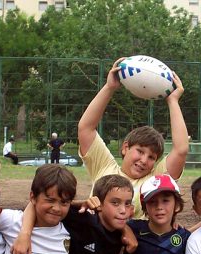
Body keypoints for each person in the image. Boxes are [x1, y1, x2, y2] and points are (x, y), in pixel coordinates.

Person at [77, 58, 189, 219]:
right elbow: (85, 128)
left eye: (152, 157)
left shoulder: (155, 180)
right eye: (140, 151)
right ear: (125, 147)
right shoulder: (104, 168)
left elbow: (181, 150)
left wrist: (173, 101)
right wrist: (109, 88)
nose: (144, 160)